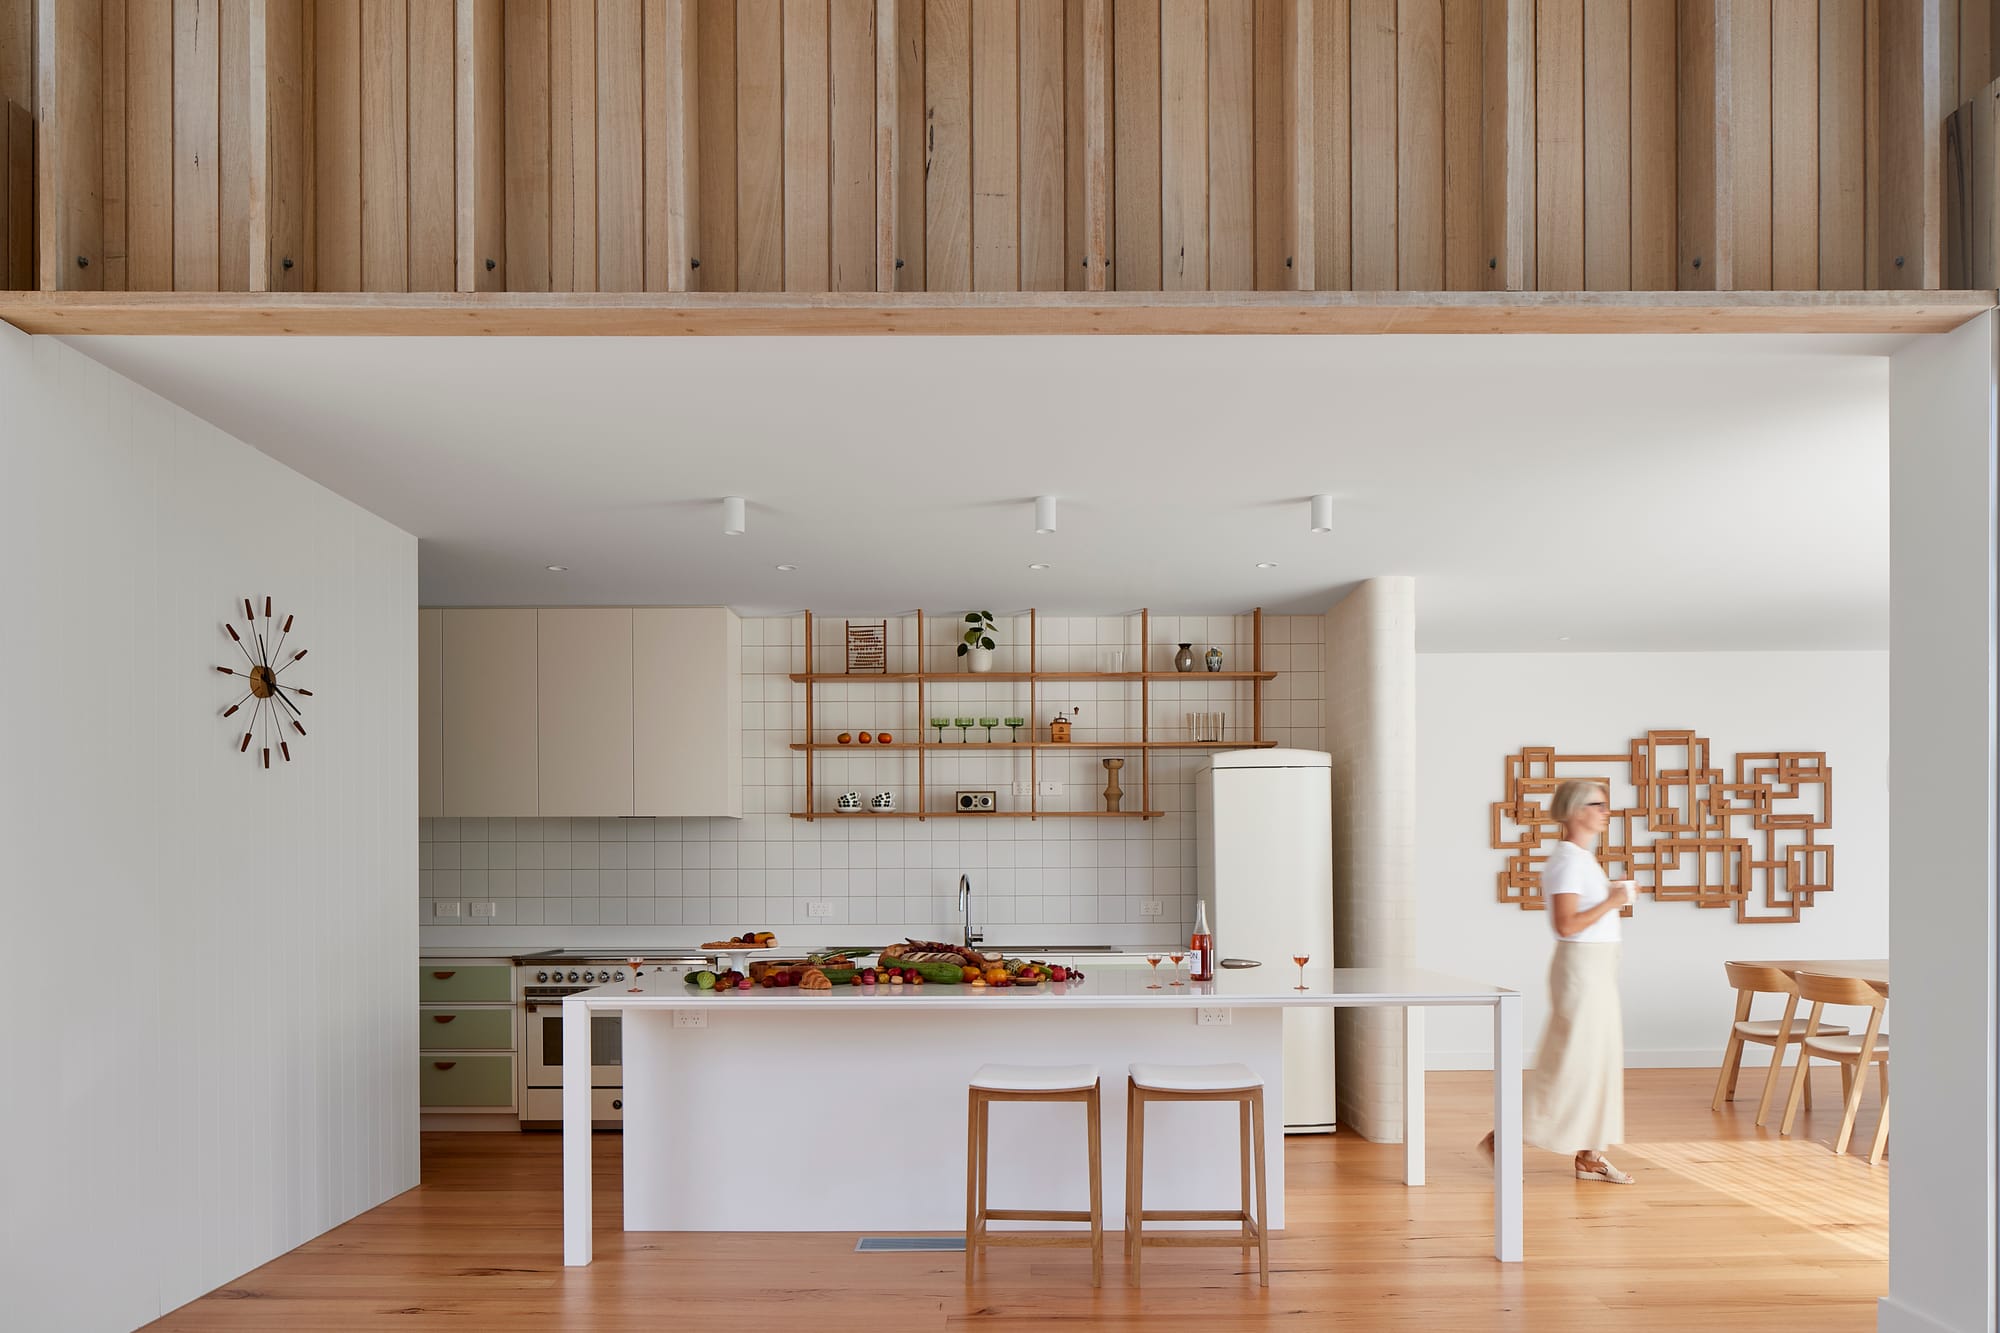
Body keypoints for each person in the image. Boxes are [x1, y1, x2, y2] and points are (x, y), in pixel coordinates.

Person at [1481, 778, 1637, 1183]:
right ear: (1574, 811)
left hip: (1598, 968)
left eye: (1606, 805)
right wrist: (1614, 900)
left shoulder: (1583, 858)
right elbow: (1566, 925)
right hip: (1581, 971)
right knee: (1571, 1063)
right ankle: (1503, 1138)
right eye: (1598, 805)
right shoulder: (1567, 861)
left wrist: (1610, 898)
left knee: (1595, 1061)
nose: (1606, 812)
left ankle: (1590, 1155)